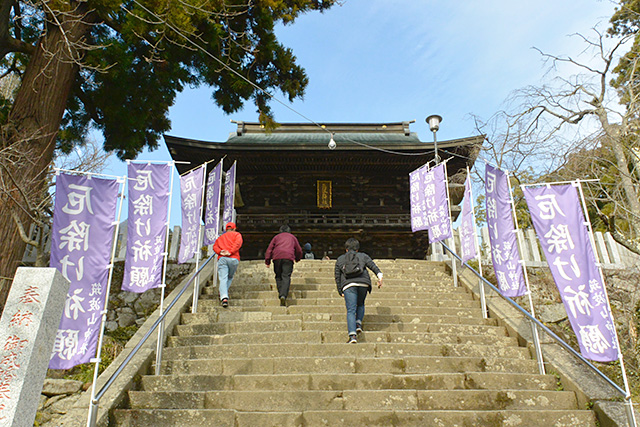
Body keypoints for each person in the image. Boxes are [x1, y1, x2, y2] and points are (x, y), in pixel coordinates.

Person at [334, 237, 383, 344]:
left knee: (351, 310)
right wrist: (380, 277)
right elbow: (373, 266)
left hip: (348, 284)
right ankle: (358, 324)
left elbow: (337, 276)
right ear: (357, 249)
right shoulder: (363, 256)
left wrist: (340, 290)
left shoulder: (340, 259)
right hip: (363, 283)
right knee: (360, 304)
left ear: (346, 249)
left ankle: (352, 336)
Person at [265, 224, 302, 306]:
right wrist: (298, 258)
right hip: (288, 257)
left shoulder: (276, 237)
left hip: (277, 257)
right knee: (286, 276)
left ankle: (281, 293)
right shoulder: (292, 237)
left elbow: (269, 249)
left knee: (278, 276)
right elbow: (298, 250)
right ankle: (283, 295)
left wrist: (267, 261)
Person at [212, 222, 243, 307]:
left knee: (223, 278)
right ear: (234, 228)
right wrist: (230, 252)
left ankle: (224, 296)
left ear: (226, 229)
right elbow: (238, 244)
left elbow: (215, 246)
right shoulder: (237, 235)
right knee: (230, 276)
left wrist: (220, 251)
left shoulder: (220, 237)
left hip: (222, 258)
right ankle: (223, 292)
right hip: (234, 258)